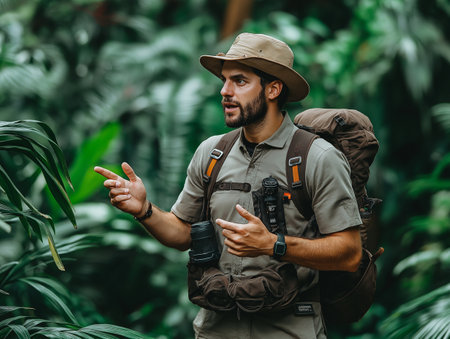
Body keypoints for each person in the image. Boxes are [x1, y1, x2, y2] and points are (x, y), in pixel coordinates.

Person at [94, 32, 362, 338]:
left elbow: (349, 252)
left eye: (240, 81)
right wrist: (144, 210)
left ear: (273, 89)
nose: (225, 91)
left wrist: (273, 244)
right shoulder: (211, 153)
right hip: (215, 329)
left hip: (288, 330)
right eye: (224, 81)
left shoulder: (316, 157)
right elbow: (182, 233)